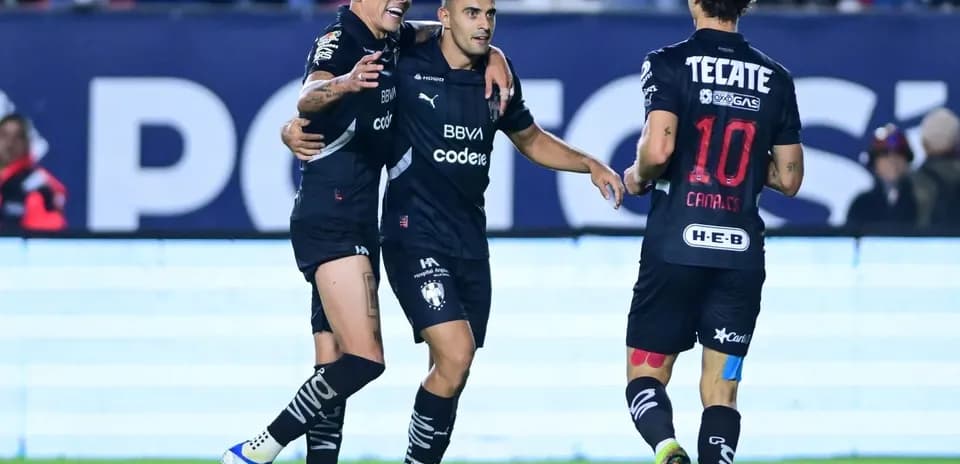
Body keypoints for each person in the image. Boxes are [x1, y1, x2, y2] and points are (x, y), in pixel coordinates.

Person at [283, 1, 624, 462]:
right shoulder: (403, 62)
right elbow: (325, 98)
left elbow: (529, 138)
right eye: (472, 13)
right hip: (410, 234)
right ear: (445, 15)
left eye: (490, 15)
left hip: (469, 241)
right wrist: (292, 127)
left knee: (451, 370)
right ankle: (262, 446)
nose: (483, 24)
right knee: (444, 351)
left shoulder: (496, 76)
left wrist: (589, 163)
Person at [221, 1, 513, 464]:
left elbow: (443, 30)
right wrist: (345, 83)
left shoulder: (391, 35)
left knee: (332, 364)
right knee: (365, 359)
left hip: (356, 215)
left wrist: (494, 53)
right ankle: (257, 450)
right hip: (330, 216)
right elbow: (309, 94)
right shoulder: (342, 38)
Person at [620, 0, 804, 460]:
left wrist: (637, 177)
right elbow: (790, 178)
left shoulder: (667, 63)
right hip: (741, 255)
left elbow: (658, 150)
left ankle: (666, 445)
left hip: (675, 246)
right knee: (722, 390)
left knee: (646, 375)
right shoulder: (776, 78)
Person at [0, 113, 67, 232]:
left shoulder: (36, 183)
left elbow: (49, 228)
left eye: (18, 137)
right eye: (4, 136)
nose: (10, 144)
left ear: (27, 143)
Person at [846, 123, 917, 229]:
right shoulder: (861, 204)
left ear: (907, 162)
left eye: (899, 154)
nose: (893, 161)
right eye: (885, 155)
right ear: (875, 164)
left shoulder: (921, 199)